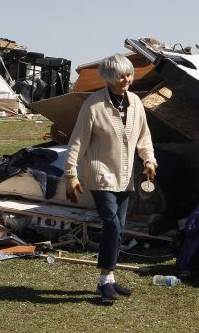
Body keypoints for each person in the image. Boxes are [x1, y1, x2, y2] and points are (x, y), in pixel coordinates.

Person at [64, 54, 157, 300]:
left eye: (129, 74)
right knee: (112, 224)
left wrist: (149, 160)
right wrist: (70, 174)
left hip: (125, 176)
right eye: (120, 76)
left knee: (120, 227)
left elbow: (144, 137)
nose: (126, 79)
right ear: (108, 78)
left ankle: (110, 278)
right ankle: (104, 280)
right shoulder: (93, 105)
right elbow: (77, 142)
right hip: (100, 175)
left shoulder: (136, 102)